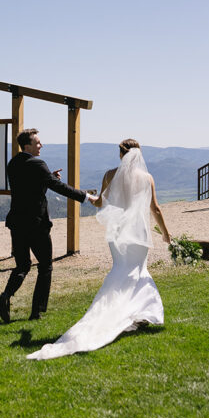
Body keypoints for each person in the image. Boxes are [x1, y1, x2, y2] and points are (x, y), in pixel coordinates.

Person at [27, 137, 170, 360]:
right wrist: (166, 233)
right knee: (137, 271)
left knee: (122, 269)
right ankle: (139, 312)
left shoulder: (110, 175)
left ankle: (136, 313)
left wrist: (88, 196)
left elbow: (101, 203)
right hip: (138, 233)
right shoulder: (147, 177)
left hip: (117, 233)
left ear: (121, 154)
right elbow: (156, 209)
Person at [0, 128, 99, 323]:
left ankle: (6, 295)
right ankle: (36, 312)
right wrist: (86, 196)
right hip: (36, 224)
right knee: (45, 267)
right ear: (28, 145)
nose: (41, 145)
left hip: (17, 222)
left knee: (23, 265)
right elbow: (58, 187)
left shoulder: (14, 163)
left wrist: (46, 178)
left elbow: (27, 188)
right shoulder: (37, 163)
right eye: (37, 143)